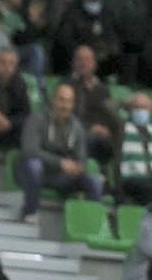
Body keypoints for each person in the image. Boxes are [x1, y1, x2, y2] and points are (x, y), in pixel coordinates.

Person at [17, 83, 105, 219]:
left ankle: (91, 223)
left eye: (69, 101)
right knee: (34, 165)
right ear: (53, 100)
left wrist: (78, 167)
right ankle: (29, 212)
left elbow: (82, 157)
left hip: (61, 176)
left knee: (95, 181)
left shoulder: (77, 127)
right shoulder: (36, 119)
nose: (64, 105)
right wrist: (60, 162)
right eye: (61, 99)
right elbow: (29, 150)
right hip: (33, 172)